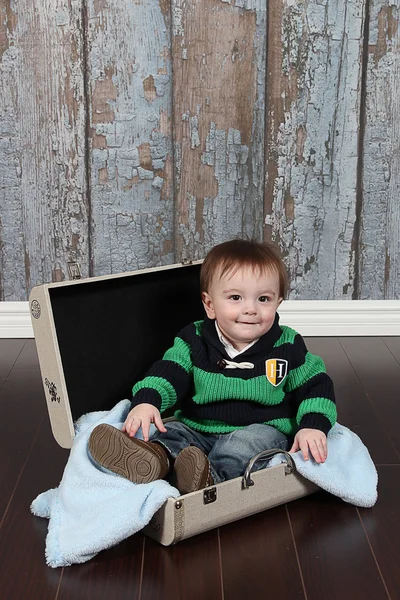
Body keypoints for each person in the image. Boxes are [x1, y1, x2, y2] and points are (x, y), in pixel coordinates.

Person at [89, 239, 337, 494]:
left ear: (278, 302)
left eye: (263, 299)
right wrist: (147, 401)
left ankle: (211, 478)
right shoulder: (194, 339)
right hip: (199, 425)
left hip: (259, 428)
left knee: (242, 447)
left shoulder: (288, 345)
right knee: (172, 432)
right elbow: (169, 371)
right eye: (235, 297)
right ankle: (155, 459)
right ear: (210, 305)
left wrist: (312, 425)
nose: (250, 309)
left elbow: (316, 386)